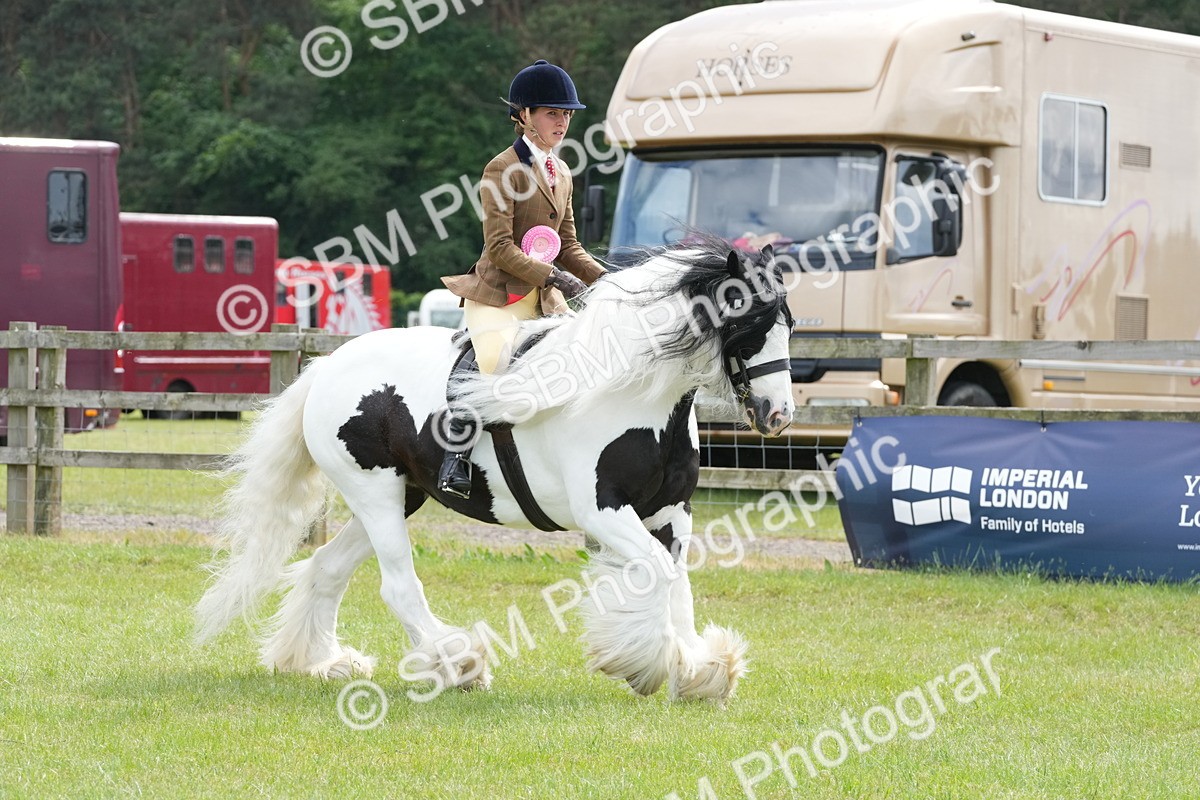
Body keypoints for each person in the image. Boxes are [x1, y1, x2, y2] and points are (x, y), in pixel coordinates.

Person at [437, 59, 607, 499]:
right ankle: (453, 457)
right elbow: (498, 248)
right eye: (553, 112)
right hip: (498, 294)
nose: (563, 121)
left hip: (545, 298)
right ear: (524, 115)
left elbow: (568, 245)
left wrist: (606, 280)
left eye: (567, 114)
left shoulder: (562, 172)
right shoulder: (501, 169)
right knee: (490, 362)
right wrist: (555, 277)